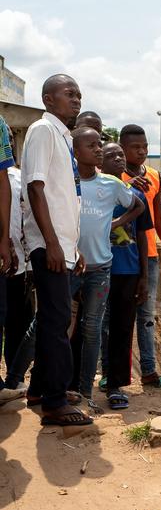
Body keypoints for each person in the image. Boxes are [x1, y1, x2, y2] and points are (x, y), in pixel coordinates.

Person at [20, 74, 92, 425]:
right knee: (57, 321)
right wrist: (50, 242)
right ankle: (54, 401)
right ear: (48, 99)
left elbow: (63, 199)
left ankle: (40, 390)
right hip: (47, 246)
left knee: (54, 319)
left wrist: (71, 247)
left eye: (79, 94)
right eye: (68, 94)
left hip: (61, 247)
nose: (76, 100)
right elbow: (35, 188)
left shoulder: (63, 137)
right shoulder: (42, 131)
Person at [70, 127, 143, 406]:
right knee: (77, 327)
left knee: (110, 329)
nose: (116, 159)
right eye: (106, 152)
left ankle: (109, 387)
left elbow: (143, 222)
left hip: (118, 268)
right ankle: (68, 385)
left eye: (117, 154)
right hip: (78, 267)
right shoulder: (72, 183)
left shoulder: (121, 188)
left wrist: (114, 224)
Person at [120, 124, 161, 389]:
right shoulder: (114, 175)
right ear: (122, 148)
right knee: (118, 317)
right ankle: (115, 375)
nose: (142, 151)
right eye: (135, 147)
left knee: (147, 316)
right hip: (121, 255)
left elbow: (160, 218)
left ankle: (149, 371)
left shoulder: (154, 176)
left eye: (145, 146)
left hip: (148, 254)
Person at [100, 142, 151, 409]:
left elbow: (142, 236)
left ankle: (115, 385)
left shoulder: (136, 195)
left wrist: (143, 275)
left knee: (122, 328)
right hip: (97, 268)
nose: (118, 158)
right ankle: (85, 381)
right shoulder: (92, 191)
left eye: (120, 154)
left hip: (128, 271)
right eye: (111, 155)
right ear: (100, 161)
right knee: (94, 328)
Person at [0, 115, 26, 406]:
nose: (7, 141)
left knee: (15, 318)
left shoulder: (18, 177)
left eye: (9, 138)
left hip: (17, 257)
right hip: (6, 250)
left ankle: (13, 377)